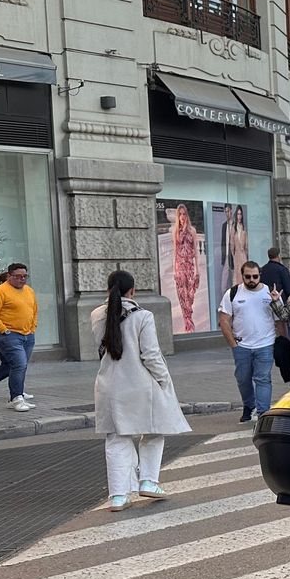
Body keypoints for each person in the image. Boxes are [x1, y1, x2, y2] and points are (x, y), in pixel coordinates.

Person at [92, 269, 191, 511]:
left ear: (108, 290)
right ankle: (148, 480)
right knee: (155, 430)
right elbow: (151, 355)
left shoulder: (96, 315)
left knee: (116, 439)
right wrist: (164, 381)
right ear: (132, 290)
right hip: (140, 385)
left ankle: (118, 495)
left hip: (109, 386)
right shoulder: (143, 316)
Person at [219, 260, 286, 421]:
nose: (251, 279)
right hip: (241, 345)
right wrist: (233, 345)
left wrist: (282, 340)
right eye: (247, 276)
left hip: (265, 344)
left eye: (255, 276)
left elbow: (280, 320)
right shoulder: (233, 293)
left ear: (260, 275)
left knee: (263, 378)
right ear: (242, 276)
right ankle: (249, 405)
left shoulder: (270, 293)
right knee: (243, 379)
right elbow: (224, 320)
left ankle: (263, 412)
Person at [0, 262, 38, 411]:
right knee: (19, 364)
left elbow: (34, 310)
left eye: (25, 276)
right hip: (8, 335)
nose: (22, 279)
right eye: (18, 276)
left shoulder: (29, 291)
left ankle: (18, 394)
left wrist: (32, 328)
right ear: (9, 276)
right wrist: (3, 329)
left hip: (27, 334)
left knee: (19, 365)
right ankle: (16, 398)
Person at [170, 203, 202, 332]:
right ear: (178, 216)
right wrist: (174, 270)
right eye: (180, 214)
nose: (182, 217)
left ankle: (188, 319)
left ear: (187, 215)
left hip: (190, 266)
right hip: (179, 266)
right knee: (182, 295)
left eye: (184, 214)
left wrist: (198, 270)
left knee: (190, 295)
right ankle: (188, 324)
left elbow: (196, 250)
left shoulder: (192, 231)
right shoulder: (175, 231)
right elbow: (174, 251)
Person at [220, 205, 248, 293]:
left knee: (240, 279)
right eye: (226, 212)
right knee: (228, 283)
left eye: (240, 214)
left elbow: (245, 245)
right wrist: (230, 255)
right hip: (231, 256)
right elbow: (225, 243)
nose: (239, 216)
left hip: (241, 257)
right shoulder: (227, 226)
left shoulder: (242, 228)